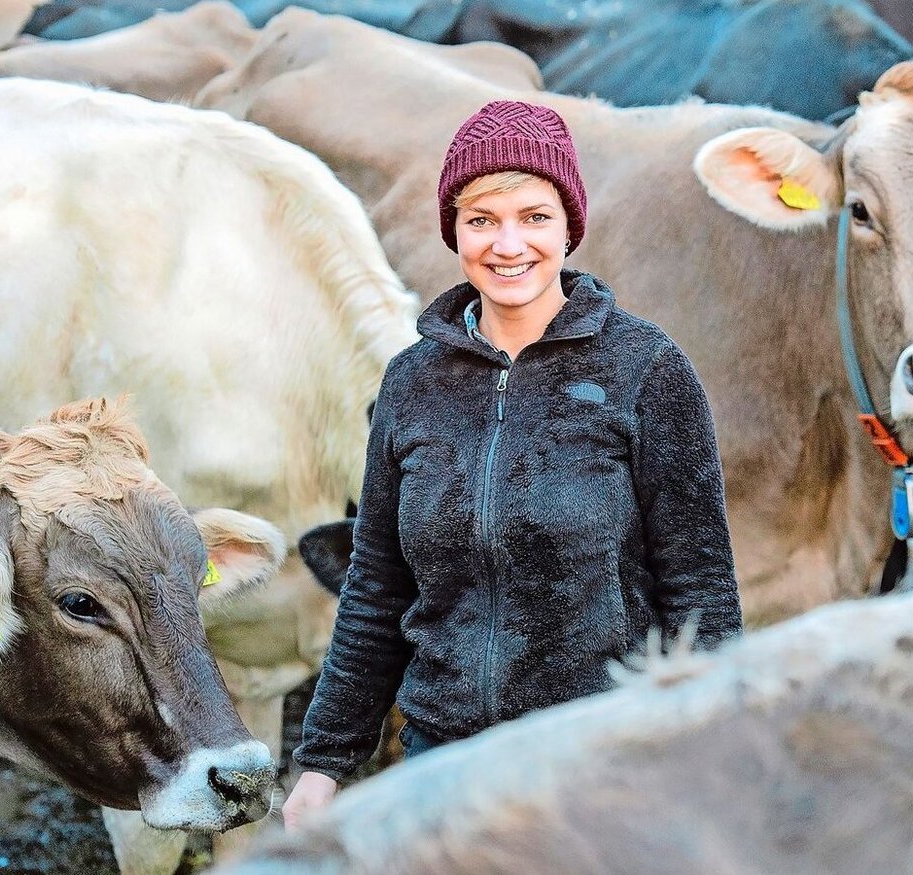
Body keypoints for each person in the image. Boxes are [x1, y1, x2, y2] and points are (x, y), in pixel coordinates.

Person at [283, 100, 741, 828]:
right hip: (442, 757)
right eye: (481, 219)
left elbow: (700, 585)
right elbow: (376, 586)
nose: (508, 244)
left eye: (534, 217)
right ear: (454, 231)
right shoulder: (411, 382)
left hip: (597, 753)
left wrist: (710, 748)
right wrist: (324, 760)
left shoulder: (644, 368)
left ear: (568, 227)